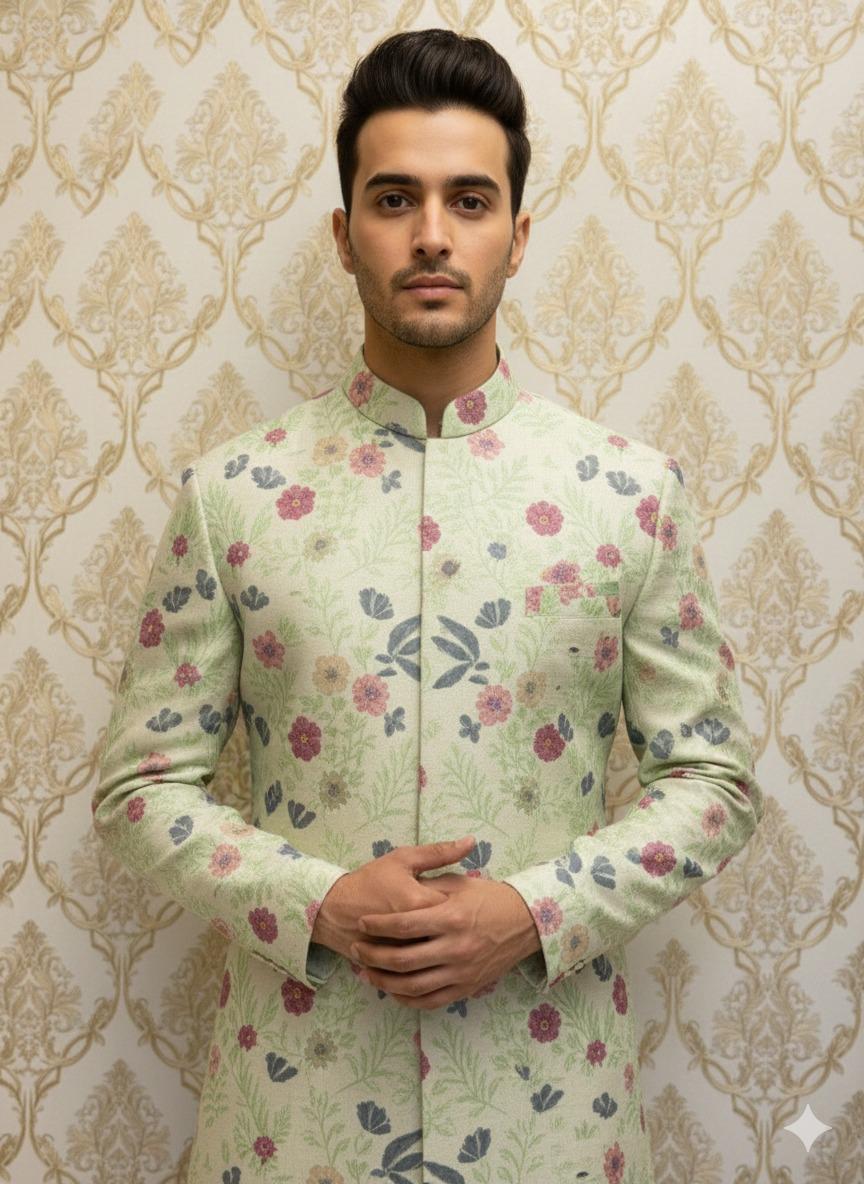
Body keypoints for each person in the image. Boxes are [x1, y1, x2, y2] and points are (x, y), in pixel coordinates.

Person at [93, 27, 764, 1184]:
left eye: (470, 200)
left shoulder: (628, 494)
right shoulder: (233, 493)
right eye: (395, 198)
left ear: (519, 235)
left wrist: (533, 909)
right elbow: (139, 786)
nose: (434, 234)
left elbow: (714, 782)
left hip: (552, 1117)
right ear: (344, 232)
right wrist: (315, 898)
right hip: (293, 1114)